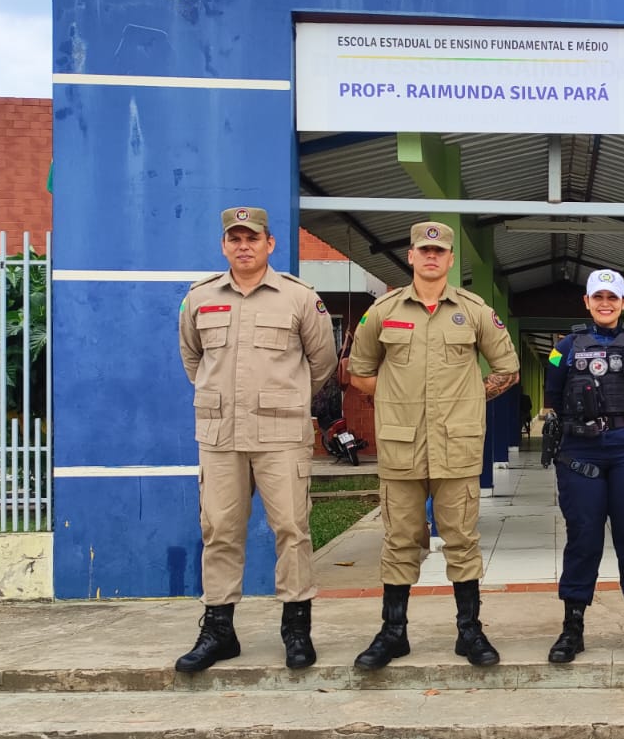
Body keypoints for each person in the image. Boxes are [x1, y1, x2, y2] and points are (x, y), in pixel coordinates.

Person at [347, 221, 520, 669]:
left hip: (456, 447)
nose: (431, 257)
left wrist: (468, 397)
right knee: (399, 541)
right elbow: (360, 373)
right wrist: (397, 400)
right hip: (400, 445)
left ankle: (470, 631)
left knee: (462, 541)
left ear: (449, 260)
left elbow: (507, 368)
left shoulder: (475, 311)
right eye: (423, 250)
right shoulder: (383, 311)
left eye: (439, 251)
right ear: (410, 256)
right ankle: (393, 633)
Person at [175, 206, 336, 672]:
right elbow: (193, 359)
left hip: (281, 435)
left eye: (252, 238)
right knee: (220, 531)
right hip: (220, 434)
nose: (243, 246)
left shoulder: (298, 298)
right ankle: (219, 631)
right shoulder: (200, 298)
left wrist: (284, 399)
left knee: (292, 528)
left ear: (270, 244)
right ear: (224, 246)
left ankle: (296, 628)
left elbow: (320, 361)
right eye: (235, 239)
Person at [541, 269, 624, 663]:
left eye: (612, 297)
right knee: (583, 538)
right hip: (581, 450)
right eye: (598, 296)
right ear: (587, 301)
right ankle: (572, 628)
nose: (605, 303)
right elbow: (553, 396)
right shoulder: (566, 346)